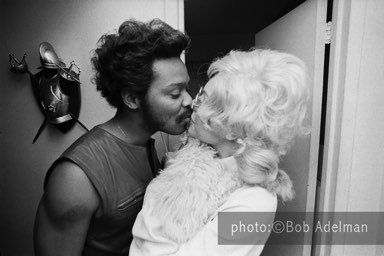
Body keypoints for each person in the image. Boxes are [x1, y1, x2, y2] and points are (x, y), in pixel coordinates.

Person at [33, 18, 192, 256]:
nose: (189, 100)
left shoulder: (145, 143)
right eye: (175, 93)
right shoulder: (76, 177)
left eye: (186, 89)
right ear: (132, 98)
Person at [130, 48, 309, 255]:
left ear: (233, 129)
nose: (192, 104)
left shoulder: (255, 203)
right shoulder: (196, 158)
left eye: (204, 99)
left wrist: (158, 193)